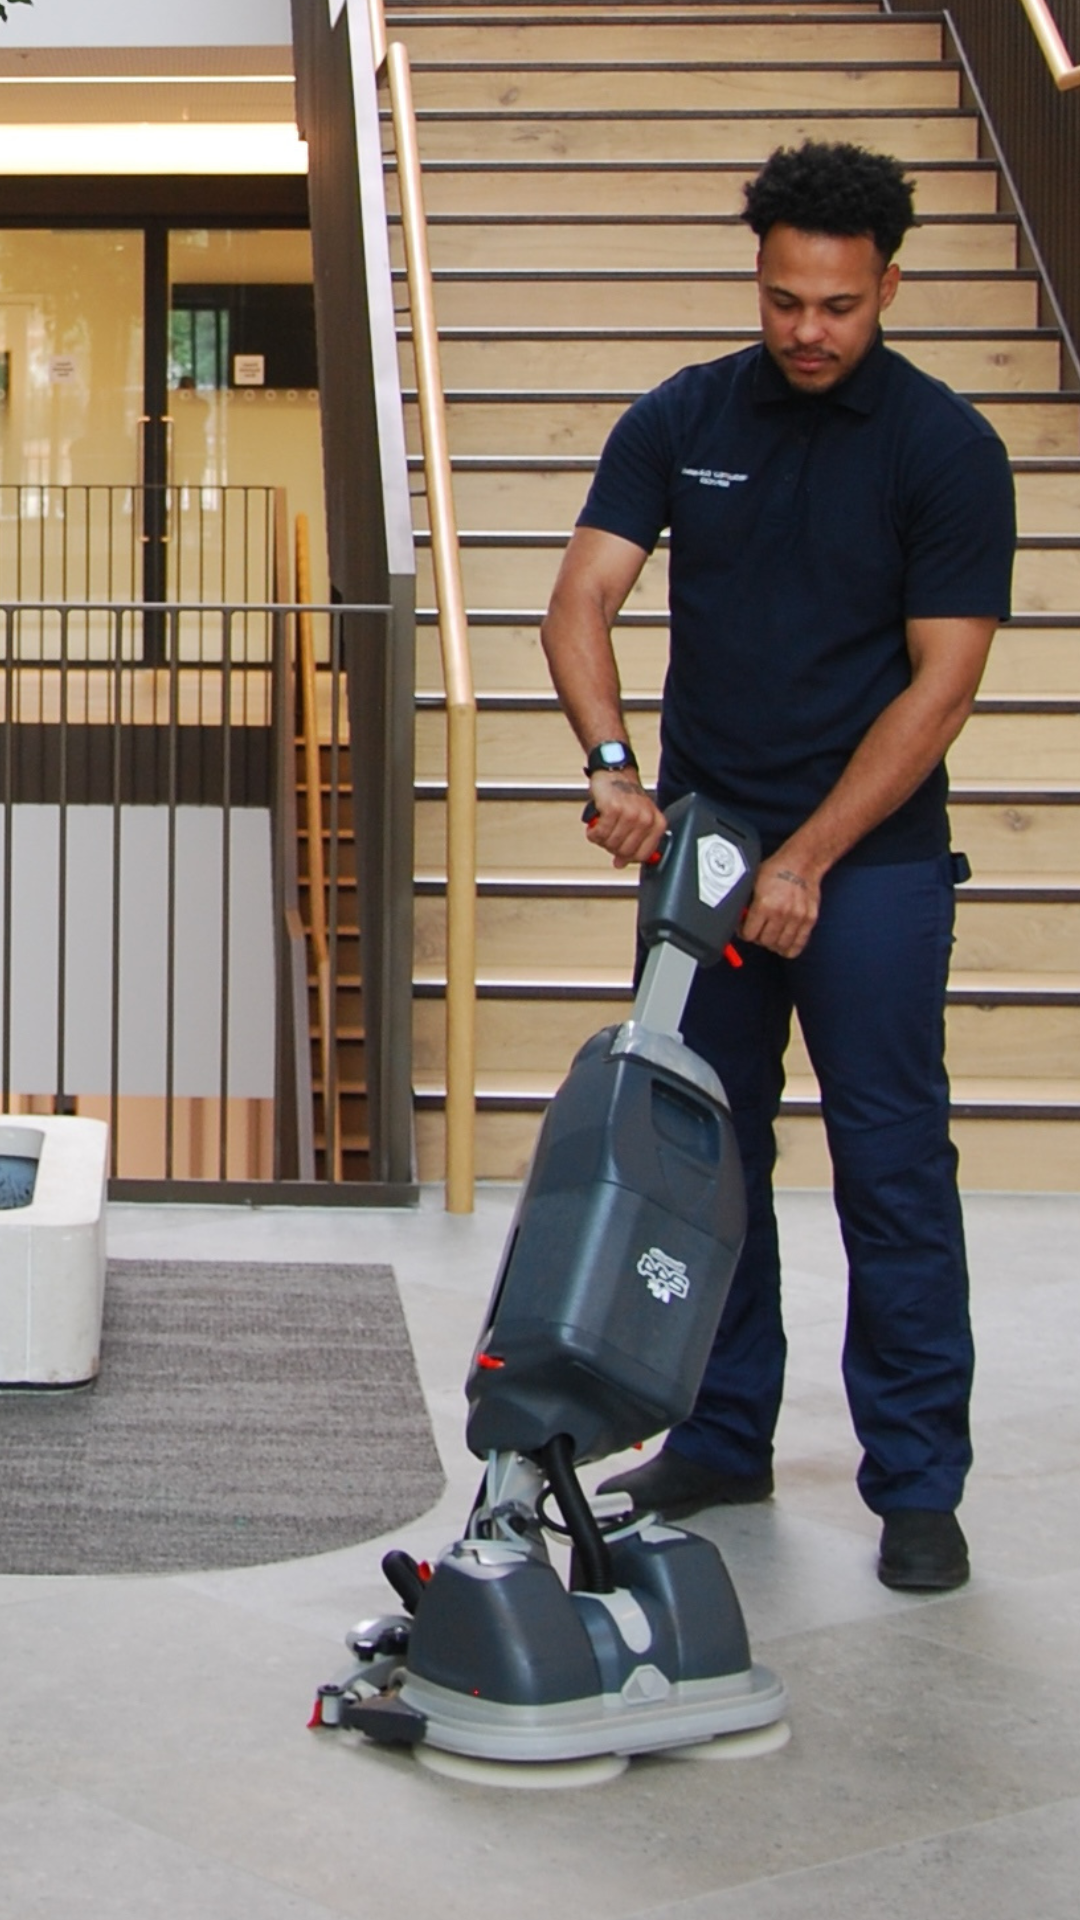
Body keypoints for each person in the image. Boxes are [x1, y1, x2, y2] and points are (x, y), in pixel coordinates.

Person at [539, 141, 1016, 1592]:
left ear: (887, 289)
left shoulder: (943, 447)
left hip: (869, 867)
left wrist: (808, 855)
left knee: (891, 1170)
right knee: (704, 1160)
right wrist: (615, 770)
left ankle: (919, 1484)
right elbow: (582, 600)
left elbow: (941, 687)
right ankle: (725, 1431)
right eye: (785, 300)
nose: (808, 330)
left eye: (839, 306)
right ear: (760, 279)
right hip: (709, 848)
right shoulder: (686, 414)